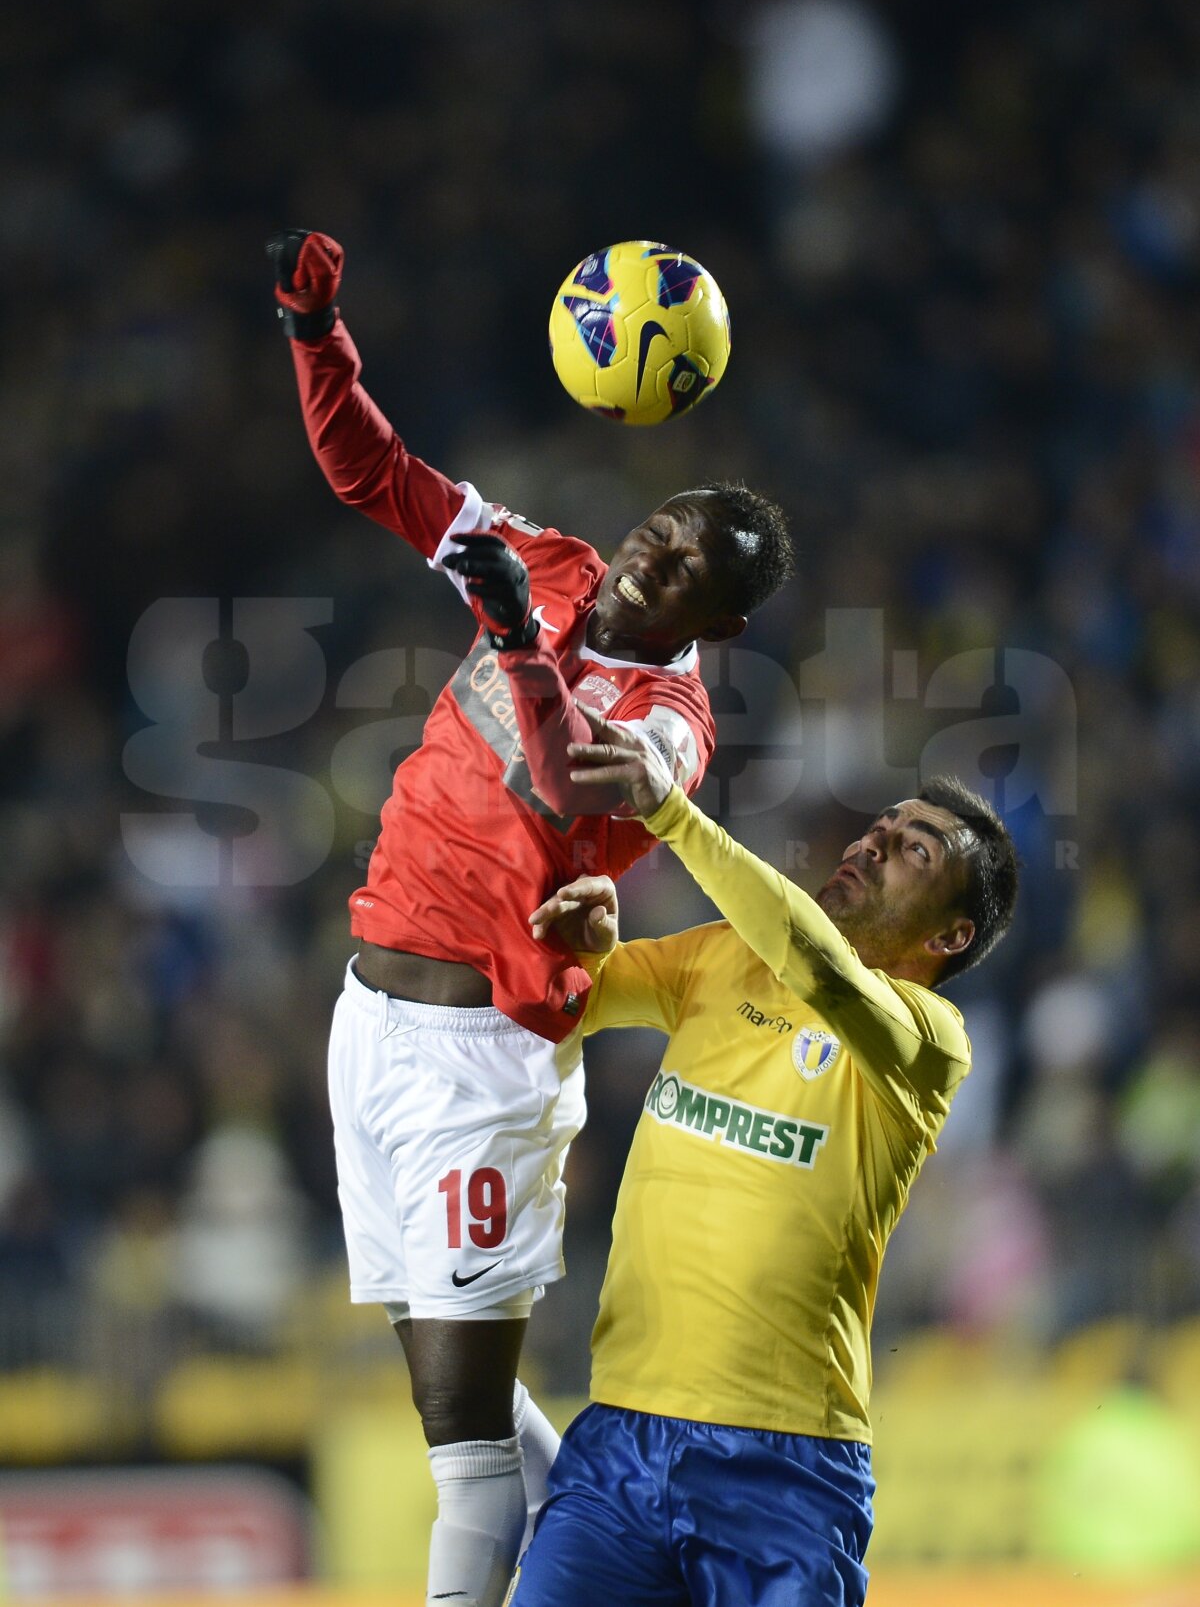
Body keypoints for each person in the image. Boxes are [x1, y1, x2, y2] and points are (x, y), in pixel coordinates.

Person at [265, 230, 795, 1607]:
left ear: (716, 618)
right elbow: (371, 473)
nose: (650, 551)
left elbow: (562, 783)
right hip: (368, 1019)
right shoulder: (544, 557)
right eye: (662, 523)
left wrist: (512, 643)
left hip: (479, 1061)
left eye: (685, 564)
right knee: (468, 1388)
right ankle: (652, 1568)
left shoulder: (677, 729)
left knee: (462, 1454)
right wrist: (316, 329)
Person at [510, 703, 1019, 1606]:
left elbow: (814, 957)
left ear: (950, 937)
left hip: (783, 1462)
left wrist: (669, 810)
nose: (873, 844)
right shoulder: (724, 957)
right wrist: (580, 937)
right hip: (620, 1436)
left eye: (915, 851)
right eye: (881, 828)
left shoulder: (929, 1041)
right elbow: (554, 996)